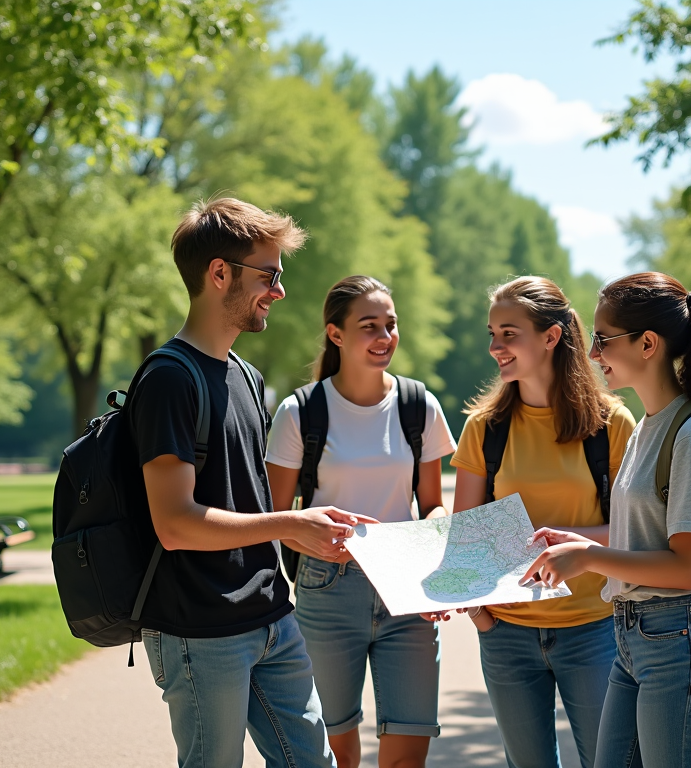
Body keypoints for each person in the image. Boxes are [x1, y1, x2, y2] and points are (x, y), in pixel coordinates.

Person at [133, 198, 372, 768]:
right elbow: (174, 523)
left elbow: (244, 504)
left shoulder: (245, 376)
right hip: (199, 628)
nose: (280, 292)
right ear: (220, 274)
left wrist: (304, 533)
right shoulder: (169, 379)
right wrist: (289, 522)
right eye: (269, 276)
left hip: (271, 617)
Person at [522, 272, 691, 768]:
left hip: (684, 638)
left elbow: (685, 567)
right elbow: (650, 533)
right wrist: (578, 542)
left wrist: (588, 558)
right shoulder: (646, 429)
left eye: (602, 339)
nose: (592, 354)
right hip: (637, 637)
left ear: (647, 343)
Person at [265, 275, 458, 768]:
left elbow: (432, 504)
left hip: (407, 593)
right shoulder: (299, 412)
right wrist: (310, 535)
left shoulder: (419, 405)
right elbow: (274, 518)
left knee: (406, 755)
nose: (384, 337)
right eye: (369, 326)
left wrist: (433, 548)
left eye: (390, 326)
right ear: (336, 334)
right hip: (328, 588)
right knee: (336, 754)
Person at [449, 276, 636, 768]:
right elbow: (464, 538)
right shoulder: (483, 428)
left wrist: (574, 545)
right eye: (492, 334)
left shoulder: (611, 425)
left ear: (550, 336)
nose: (495, 347)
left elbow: (639, 532)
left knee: (611, 760)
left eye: (509, 334)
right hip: (506, 635)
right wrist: (483, 619)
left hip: (594, 630)